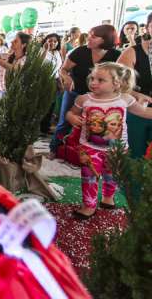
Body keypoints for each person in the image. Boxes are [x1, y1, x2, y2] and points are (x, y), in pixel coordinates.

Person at [65, 62, 152, 219]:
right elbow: (70, 113)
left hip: (117, 148)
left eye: (100, 80)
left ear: (116, 83)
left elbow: (144, 112)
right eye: (92, 78)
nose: (93, 82)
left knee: (112, 175)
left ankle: (108, 198)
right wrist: (72, 118)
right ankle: (89, 205)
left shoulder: (125, 99)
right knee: (89, 176)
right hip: (89, 148)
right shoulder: (84, 99)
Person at [49, 25, 121, 158]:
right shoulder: (80, 51)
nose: (89, 38)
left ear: (105, 39)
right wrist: (67, 77)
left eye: (93, 36)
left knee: (97, 126)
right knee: (64, 122)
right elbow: (63, 69)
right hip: (75, 93)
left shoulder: (116, 55)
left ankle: (92, 155)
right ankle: (54, 148)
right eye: (89, 34)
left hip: (100, 98)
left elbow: (121, 77)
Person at [117, 14, 152, 157]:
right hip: (138, 111)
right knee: (136, 156)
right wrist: (136, 94)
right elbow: (117, 82)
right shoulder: (133, 52)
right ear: (148, 28)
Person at [40, 33, 63, 134]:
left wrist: (60, 82)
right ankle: (41, 127)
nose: (52, 43)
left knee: (52, 105)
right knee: (44, 105)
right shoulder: (41, 51)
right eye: (50, 40)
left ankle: (46, 127)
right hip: (43, 81)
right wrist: (45, 50)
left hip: (54, 81)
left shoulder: (57, 53)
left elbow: (57, 70)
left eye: (55, 41)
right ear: (45, 41)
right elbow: (38, 63)